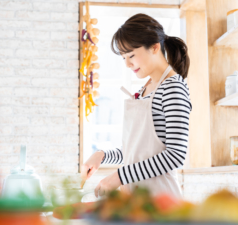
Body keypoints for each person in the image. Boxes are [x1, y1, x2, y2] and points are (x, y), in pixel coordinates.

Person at [81, 13, 191, 199]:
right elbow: (138, 152)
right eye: (123, 57)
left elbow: (176, 155)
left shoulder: (173, 87)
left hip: (161, 202)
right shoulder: (147, 88)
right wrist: (102, 155)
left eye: (131, 55)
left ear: (155, 47)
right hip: (137, 202)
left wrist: (119, 176)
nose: (127, 64)